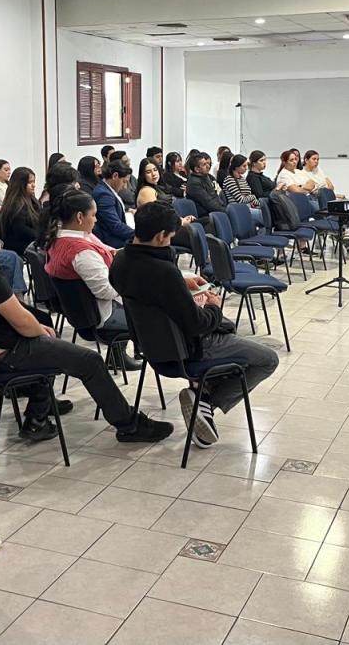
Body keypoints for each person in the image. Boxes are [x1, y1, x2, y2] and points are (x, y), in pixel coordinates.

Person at [0, 198, 173, 443]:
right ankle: (129, 424)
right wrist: (43, 332)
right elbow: (22, 321)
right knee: (89, 360)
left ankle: (38, 417)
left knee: (47, 337)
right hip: (4, 355)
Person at [110, 201, 279, 448]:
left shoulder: (121, 261)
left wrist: (181, 283)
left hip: (152, 347)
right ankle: (207, 401)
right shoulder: (163, 272)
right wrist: (212, 306)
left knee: (228, 329)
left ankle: (205, 390)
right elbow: (197, 324)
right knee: (267, 359)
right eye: (169, 237)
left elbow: (150, 292)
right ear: (160, 237)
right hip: (188, 350)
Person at [41, 189, 139, 370]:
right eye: (93, 215)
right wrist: (130, 279)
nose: (96, 219)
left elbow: (105, 250)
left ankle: (119, 356)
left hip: (83, 312)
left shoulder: (64, 236)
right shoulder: (80, 251)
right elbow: (106, 290)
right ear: (80, 217)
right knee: (156, 311)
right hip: (100, 315)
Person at [0, 167, 41, 256]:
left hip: (32, 242)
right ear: (20, 184)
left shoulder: (32, 200)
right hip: (21, 245)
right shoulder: (15, 204)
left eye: (34, 182)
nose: (33, 185)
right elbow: (21, 230)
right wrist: (42, 236)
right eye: (30, 182)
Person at [93, 160, 135, 248]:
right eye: (124, 181)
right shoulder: (104, 194)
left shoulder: (106, 189)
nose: (124, 186)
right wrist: (139, 235)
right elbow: (114, 225)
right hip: (113, 242)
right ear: (115, 176)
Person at [221, 155, 263, 224]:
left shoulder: (242, 179)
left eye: (246, 165)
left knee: (268, 210)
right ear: (236, 167)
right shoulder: (229, 180)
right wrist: (253, 197)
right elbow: (241, 200)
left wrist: (257, 203)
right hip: (238, 210)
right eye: (244, 166)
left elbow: (248, 196)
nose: (246, 168)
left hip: (247, 207)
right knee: (264, 215)